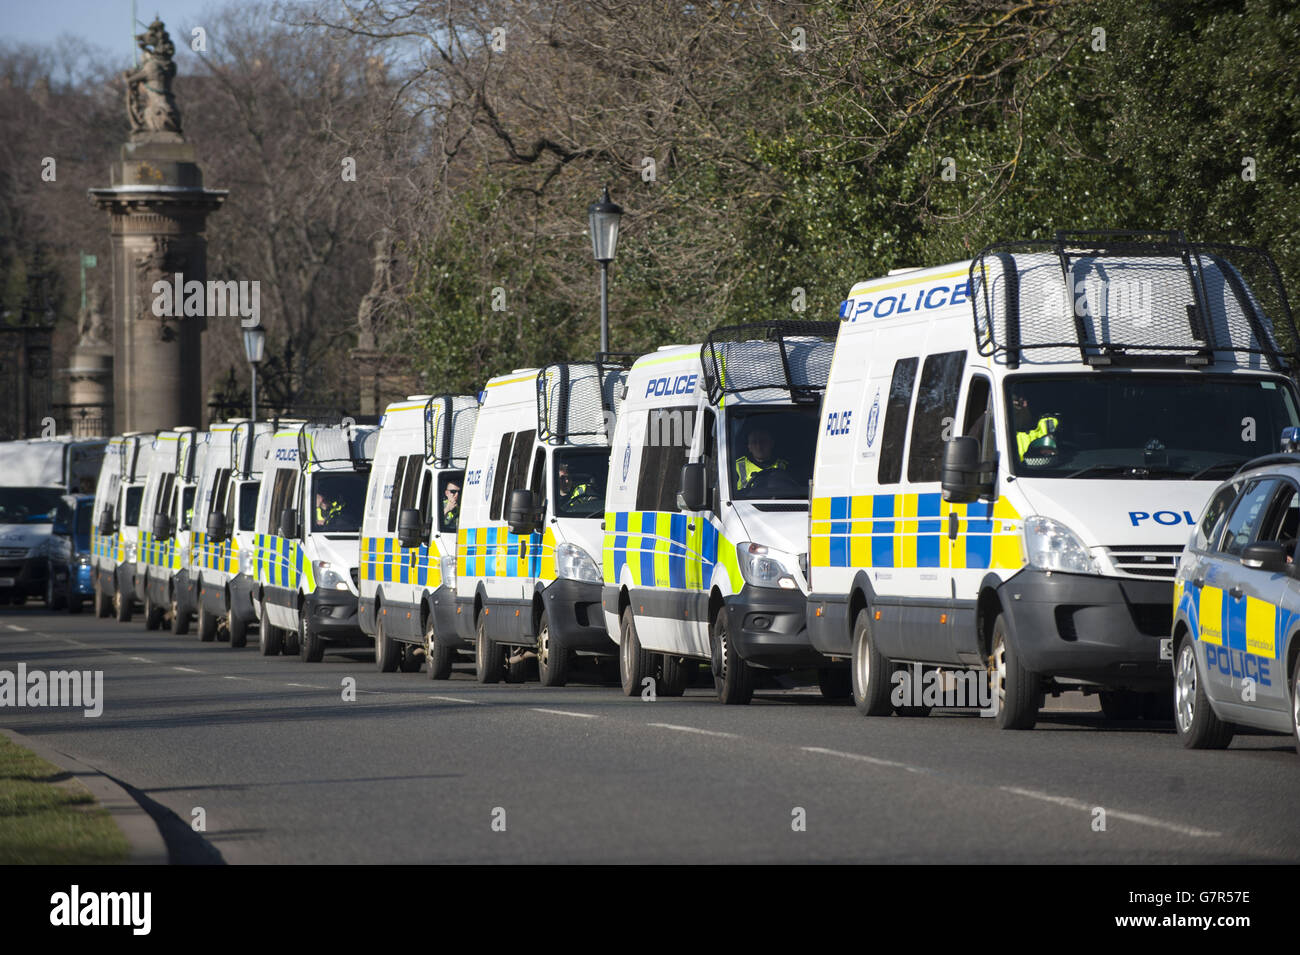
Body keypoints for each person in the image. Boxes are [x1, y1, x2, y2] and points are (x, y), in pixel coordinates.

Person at [734, 424, 788, 490]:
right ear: (749, 447)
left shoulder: (784, 466)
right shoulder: (736, 467)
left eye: (763, 442)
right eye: (754, 442)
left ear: (771, 444)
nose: (759, 447)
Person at [1012, 393, 1060, 462]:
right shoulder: (1006, 433)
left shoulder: (1047, 425)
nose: (1024, 403)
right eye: (1016, 400)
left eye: (1024, 400)